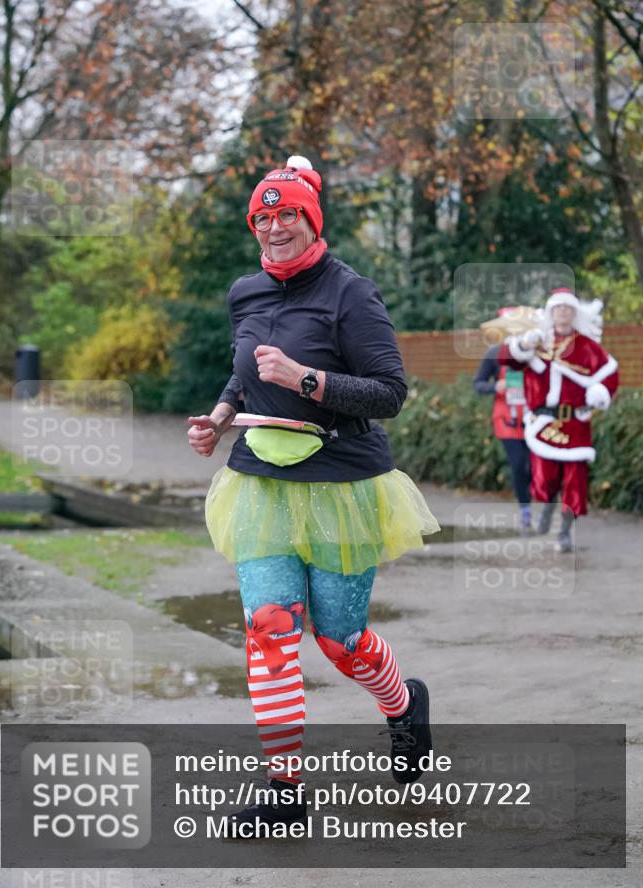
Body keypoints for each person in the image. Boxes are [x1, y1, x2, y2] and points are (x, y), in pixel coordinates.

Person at [188, 155, 440, 834]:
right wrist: (218, 415)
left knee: (339, 639)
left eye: (286, 215)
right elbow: (242, 373)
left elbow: (388, 393)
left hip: (341, 485)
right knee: (268, 628)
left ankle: (403, 703)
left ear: (310, 219)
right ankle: (285, 789)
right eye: (262, 217)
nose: (273, 227)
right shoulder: (246, 292)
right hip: (260, 486)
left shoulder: (349, 293)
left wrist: (307, 380)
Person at [498, 288, 619, 552]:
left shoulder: (587, 347)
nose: (563, 312)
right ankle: (545, 514)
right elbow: (507, 359)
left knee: (575, 482)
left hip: (575, 426)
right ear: (551, 312)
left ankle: (564, 532)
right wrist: (524, 345)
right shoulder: (538, 340)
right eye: (558, 308)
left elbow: (610, 373)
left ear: (574, 313)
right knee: (545, 479)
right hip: (544, 425)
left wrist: (597, 393)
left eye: (568, 308)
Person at [473, 308, 531, 531]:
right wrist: (495, 386)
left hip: (535, 419)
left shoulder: (536, 352)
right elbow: (477, 384)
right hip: (506, 421)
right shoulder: (494, 354)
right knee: (518, 466)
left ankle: (542, 501)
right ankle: (525, 509)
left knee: (538, 468)